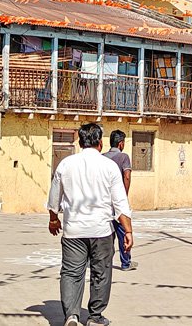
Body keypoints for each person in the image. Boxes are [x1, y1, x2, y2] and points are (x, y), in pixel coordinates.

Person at [48, 122, 133, 326]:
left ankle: (71, 315)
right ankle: (95, 316)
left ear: (80, 141)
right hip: (102, 230)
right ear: (100, 143)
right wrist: (128, 231)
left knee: (71, 272)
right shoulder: (109, 166)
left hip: (73, 230)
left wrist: (53, 220)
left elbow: (54, 200)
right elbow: (120, 203)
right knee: (101, 273)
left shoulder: (66, 165)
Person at [104, 130, 136, 271]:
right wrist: (124, 195)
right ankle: (125, 263)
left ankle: (104, 262)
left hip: (104, 201)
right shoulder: (123, 157)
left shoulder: (103, 157)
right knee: (123, 231)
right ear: (121, 143)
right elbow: (127, 176)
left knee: (107, 234)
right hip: (118, 200)